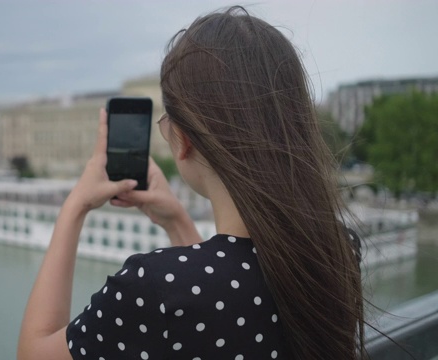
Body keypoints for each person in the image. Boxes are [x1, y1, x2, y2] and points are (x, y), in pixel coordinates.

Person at [18, 6, 364, 360]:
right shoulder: (338, 250)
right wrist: (175, 220)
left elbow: (34, 353)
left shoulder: (151, 285)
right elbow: (221, 291)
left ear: (182, 139)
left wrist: (76, 204)